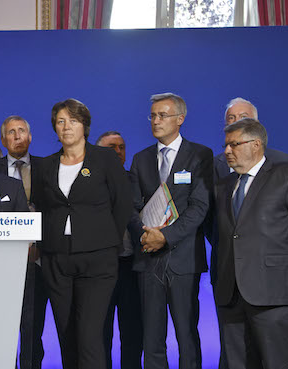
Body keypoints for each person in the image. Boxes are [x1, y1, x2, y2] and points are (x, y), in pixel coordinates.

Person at [34, 98, 137, 369]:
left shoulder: (104, 159)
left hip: (98, 260)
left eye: (73, 121)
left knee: (89, 335)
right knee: (67, 335)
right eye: (60, 121)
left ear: (85, 126)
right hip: (57, 260)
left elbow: (122, 203)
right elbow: (43, 208)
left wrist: (108, 240)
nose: (66, 127)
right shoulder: (44, 166)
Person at [213, 118, 288, 369]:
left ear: (256, 144)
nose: (227, 151)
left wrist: (284, 271)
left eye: (234, 144)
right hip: (231, 292)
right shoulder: (224, 185)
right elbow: (221, 235)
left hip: (274, 292)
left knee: (277, 362)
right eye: (226, 145)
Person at [129, 93, 211, 369]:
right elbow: (131, 208)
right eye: (152, 115)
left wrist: (166, 237)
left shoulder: (200, 155)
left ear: (180, 119)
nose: (155, 121)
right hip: (148, 258)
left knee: (187, 335)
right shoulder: (140, 159)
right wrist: (145, 234)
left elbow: (199, 207)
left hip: (184, 258)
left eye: (162, 115)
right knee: (152, 338)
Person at [0, 115, 47, 369]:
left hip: (41, 261)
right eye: (11, 132)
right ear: (3, 140)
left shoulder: (47, 167)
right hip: (2, 263)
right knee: (1, 330)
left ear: (30, 136)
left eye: (21, 131)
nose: (16, 136)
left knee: (33, 330)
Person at [95, 131, 143, 369]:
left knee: (133, 332)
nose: (118, 152)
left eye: (122, 147)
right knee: (99, 333)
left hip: (131, 267)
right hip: (99, 269)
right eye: (111, 147)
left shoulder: (134, 180)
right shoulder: (86, 182)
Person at [213, 97, 288, 180]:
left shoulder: (280, 161)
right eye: (231, 117)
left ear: (256, 124)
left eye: (243, 117)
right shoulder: (215, 165)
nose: (237, 121)